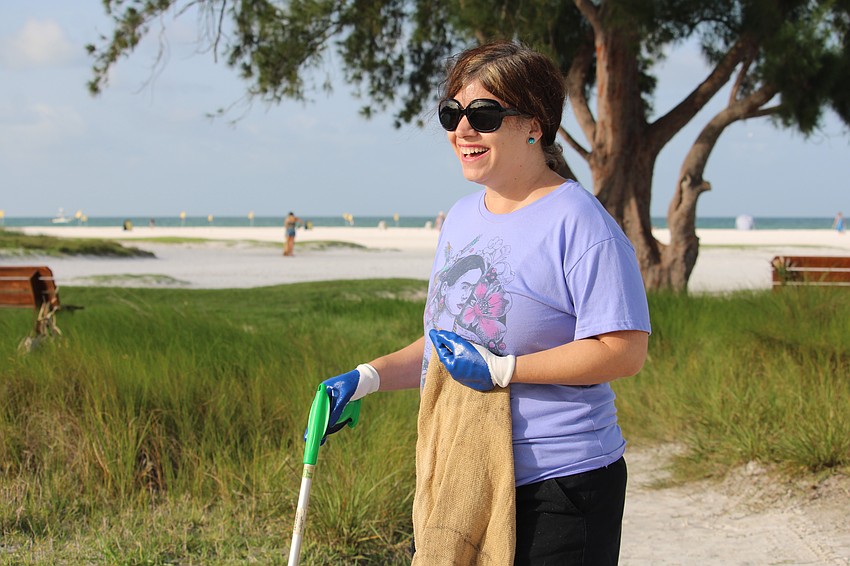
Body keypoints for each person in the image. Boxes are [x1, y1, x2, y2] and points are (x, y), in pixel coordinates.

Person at [311, 41, 650, 565]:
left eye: (484, 115)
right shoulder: (462, 218)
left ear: (534, 124)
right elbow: (448, 347)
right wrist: (367, 377)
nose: (462, 130)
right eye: (453, 113)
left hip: (561, 485)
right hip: (466, 472)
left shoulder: (580, 224)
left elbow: (623, 351)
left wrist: (504, 369)